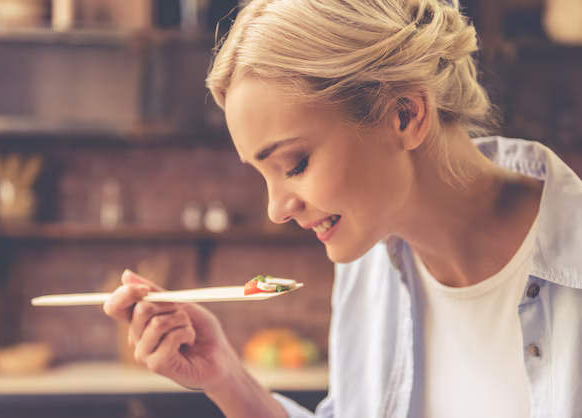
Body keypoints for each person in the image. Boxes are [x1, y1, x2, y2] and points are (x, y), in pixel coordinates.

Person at [104, 0, 582, 416]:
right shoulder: (368, 261)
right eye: (262, 173)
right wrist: (224, 375)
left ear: (404, 114)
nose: (276, 209)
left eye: (294, 163)